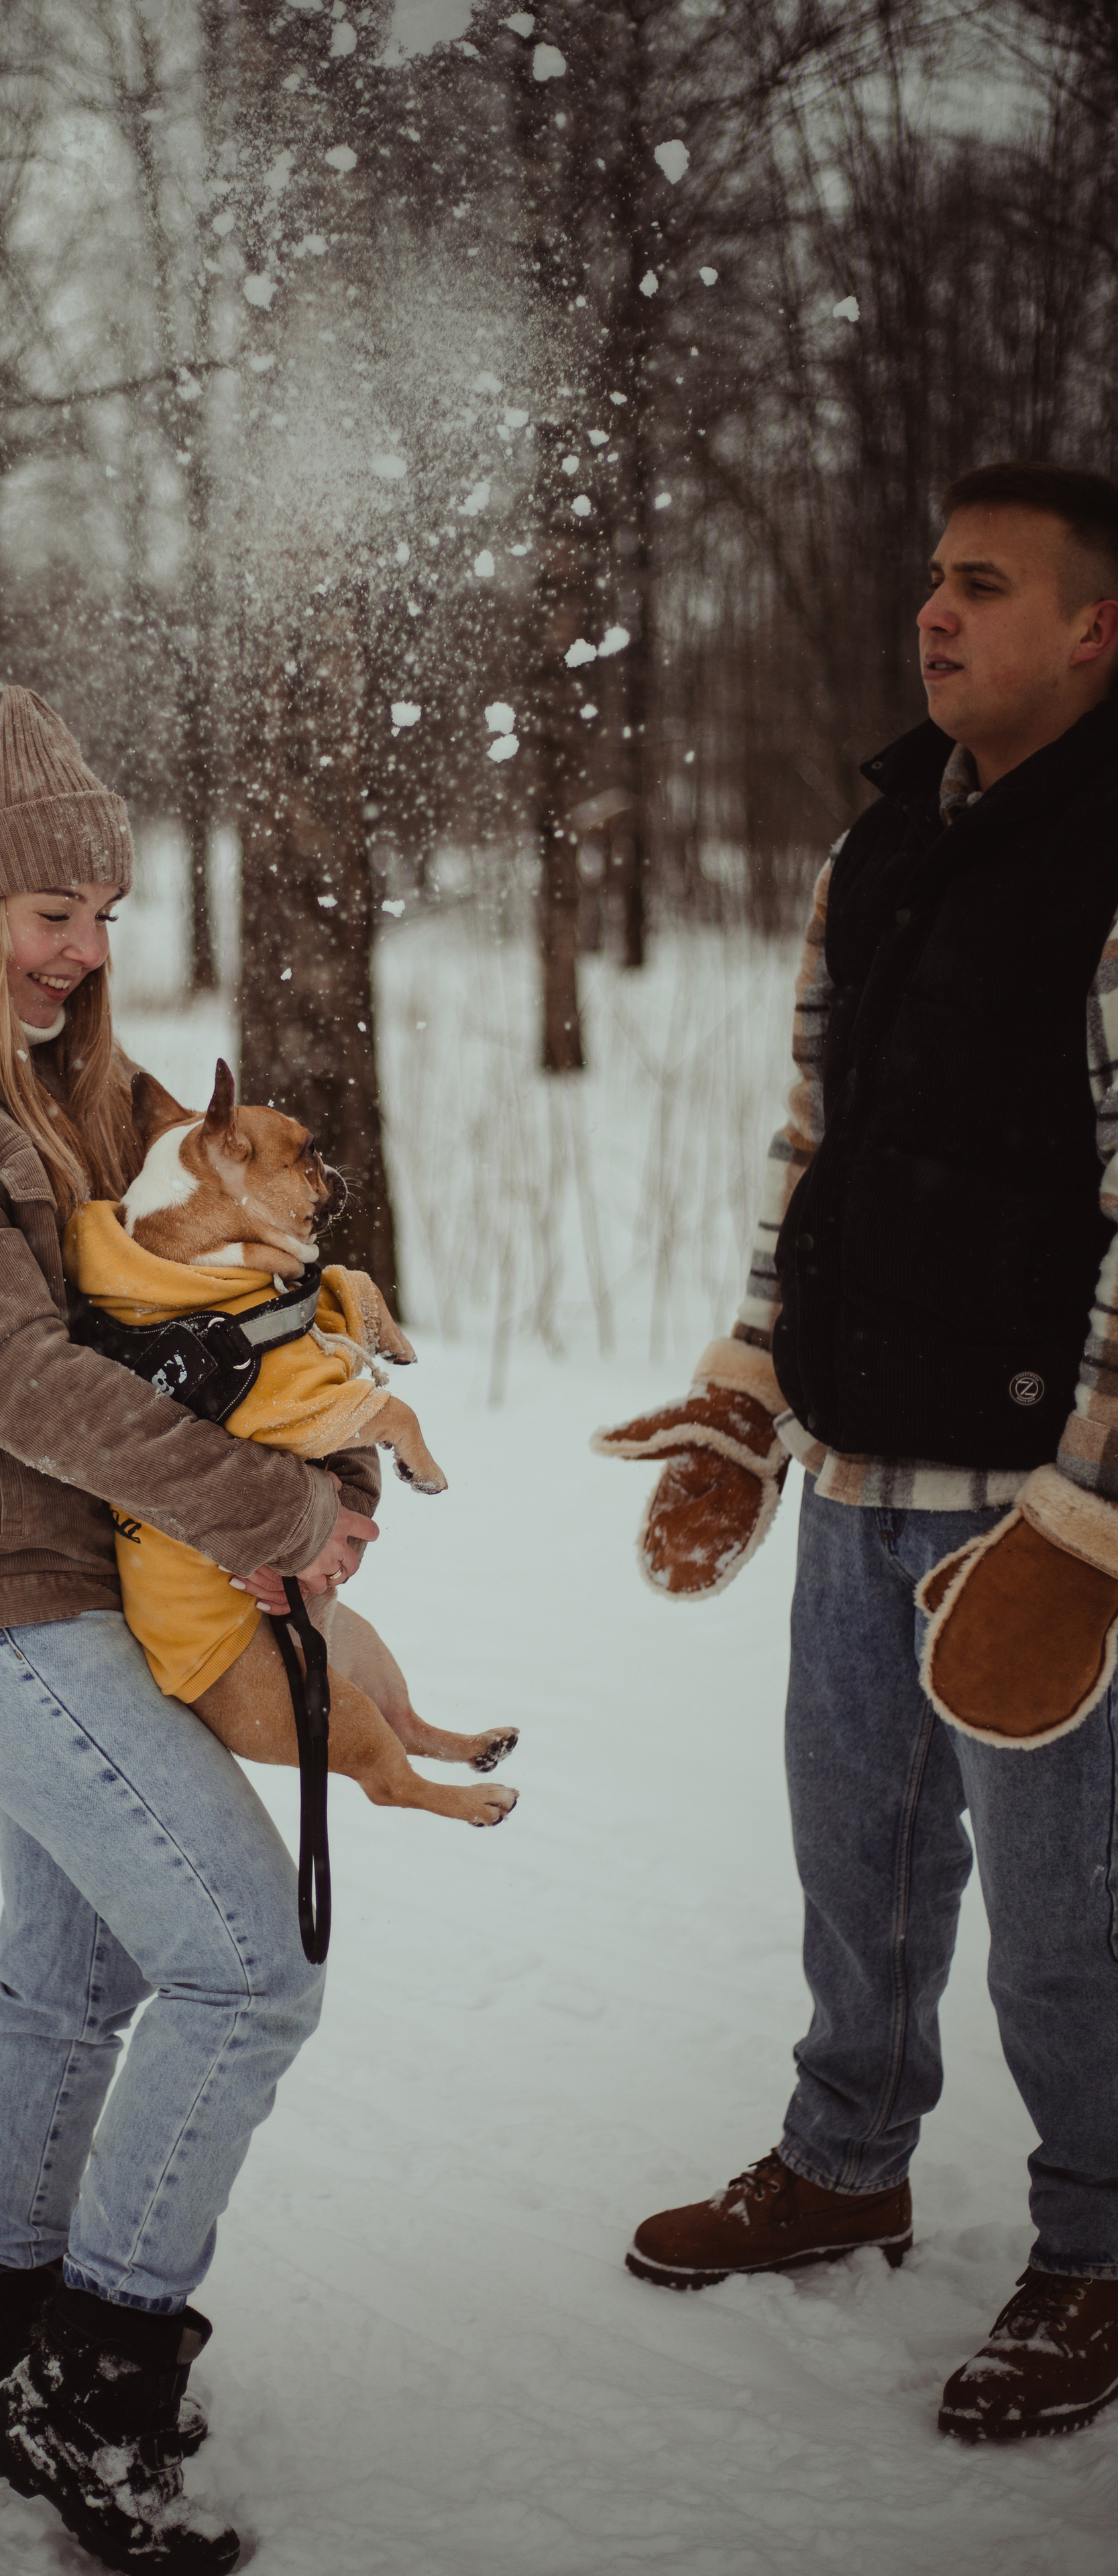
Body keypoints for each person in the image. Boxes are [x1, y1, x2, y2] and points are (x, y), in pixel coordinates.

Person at [0, 683, 379, 2571]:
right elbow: (18, 1383)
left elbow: (214, 1265)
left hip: (95, 1602)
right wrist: (270, 1509)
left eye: (107, 913)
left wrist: (332, 1423)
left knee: (78, 1987)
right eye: (53, 913)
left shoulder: (61, 1080)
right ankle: (96, 2388)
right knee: (243, 1974)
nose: (87, 951)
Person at [598, 460, 1118, 2443]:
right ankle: (848, 2156)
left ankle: (1096, 2248)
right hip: (863, 1467)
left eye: (985, 587)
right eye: (932, 582)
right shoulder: (879, 846)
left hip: (1049, 1505)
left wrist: (1086, 1529)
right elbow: (812, 1148)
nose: (936, 613)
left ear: (1095, 628)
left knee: (1080, 1919)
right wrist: (751, 1382)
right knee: (863, 1867)